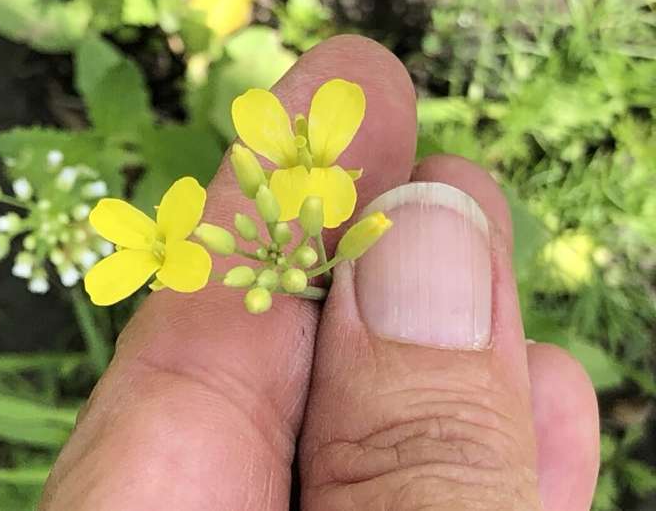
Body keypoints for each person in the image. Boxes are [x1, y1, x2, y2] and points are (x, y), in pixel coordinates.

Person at [39, 35, 600, 511]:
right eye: (299, 161)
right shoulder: (249, 226)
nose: (303, 159)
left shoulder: (299, 200)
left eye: (306, 159)